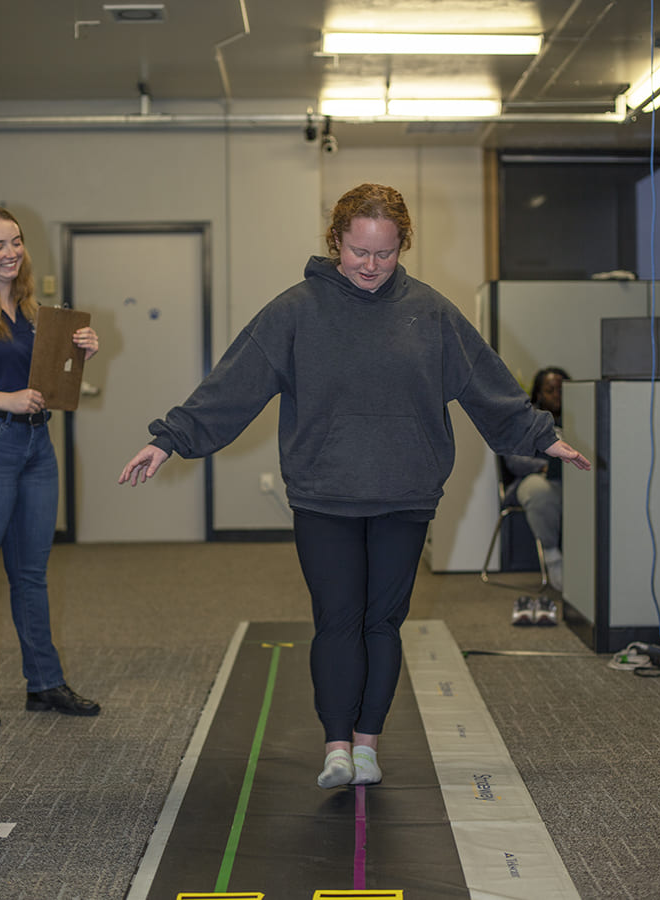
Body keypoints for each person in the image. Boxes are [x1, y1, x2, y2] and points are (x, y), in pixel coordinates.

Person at [119, 183, 590, 788]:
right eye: (359, 251)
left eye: (385, 254)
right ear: (336, 241)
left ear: (402, 247)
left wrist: (542, 436)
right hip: (325, 494)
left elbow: (487, 386)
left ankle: (368, 746)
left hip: (406, 493)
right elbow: (232, 386)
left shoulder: (432, 313)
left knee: (382, 624)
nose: (370, 266)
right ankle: (336, 746)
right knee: (338, 620)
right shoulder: (294, 311)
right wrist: (169, 439)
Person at [0, 205, 101, 728]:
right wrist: (3, 400)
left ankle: (44, 683)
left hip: (37, 447)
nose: (10, 253)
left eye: (16, 242)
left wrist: (82, 354)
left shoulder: (33, 312)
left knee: (30, 574)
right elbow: (9, 389)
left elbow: (51, 376)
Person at [504, 368, 569, 613]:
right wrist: (545, 465)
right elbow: (514, 461)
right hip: (534, 480)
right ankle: (552, 556)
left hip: (572, 484)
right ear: (539, 394)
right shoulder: (527, 421)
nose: (557, 395)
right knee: (540, 492)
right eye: (550, 390)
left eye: (562, 390)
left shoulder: (582, 418)